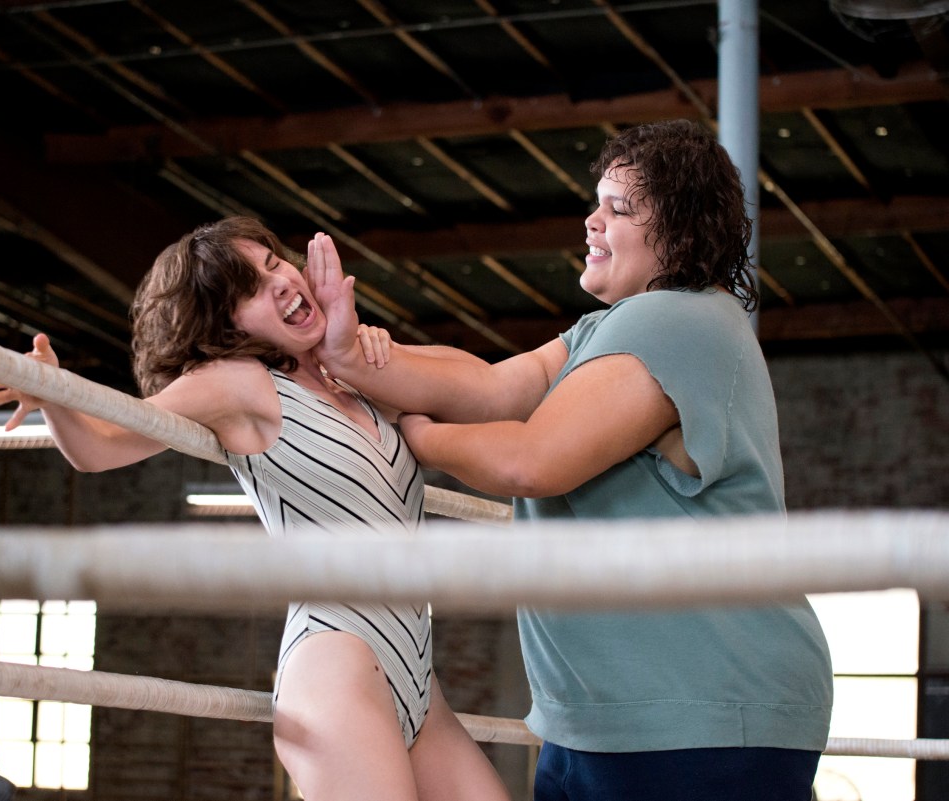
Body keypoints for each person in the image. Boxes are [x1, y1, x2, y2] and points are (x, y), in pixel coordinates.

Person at [308, 119, 834, 801]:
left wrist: (418, 437)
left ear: (681, 232)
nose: (592, 221)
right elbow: (491, 387)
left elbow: (533, 459)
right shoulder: (605, 329)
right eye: (598, 201)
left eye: (619, 209)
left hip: (694, 712)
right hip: (610, 721)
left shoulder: (677, 319)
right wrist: (352, 356)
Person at [0, 216, 510, 801]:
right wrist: (56, 392)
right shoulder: (239, 384)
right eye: (250, 289)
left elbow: (480, 385)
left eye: (274, 262)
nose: (278, 281)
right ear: (224, 324)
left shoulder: (350, 376)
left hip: (417, 674)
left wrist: (365, 351)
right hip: (338, 663)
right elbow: (101, 446)